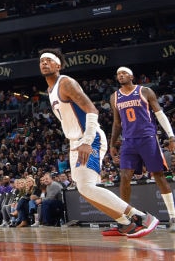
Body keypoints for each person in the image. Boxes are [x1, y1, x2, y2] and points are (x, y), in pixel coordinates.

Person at [39, 48, 158, 237]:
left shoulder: (66, 83)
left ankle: (141, 218)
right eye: (41, 61)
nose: (44, 63)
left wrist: (87, 140)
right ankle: (125, 224)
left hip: (89, 137)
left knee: (86, 186)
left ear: (58, 65)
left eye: (48, 60)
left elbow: (92, 110)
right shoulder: (50, 90)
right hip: (75, 142)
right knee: (84, 190)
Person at [108, 65, 175, 230]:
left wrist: (171, 136)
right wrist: (112, 143)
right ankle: (126, 219)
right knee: (124, 177)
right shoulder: (114, 97)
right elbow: (117, 123)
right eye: (118, 74)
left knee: (159, 175)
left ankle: (173, 216)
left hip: (147, 138)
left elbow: (160, 114)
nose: (120, 76)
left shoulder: (145, 91)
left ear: (131, 76)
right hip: (129, 141)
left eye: (124, 73)